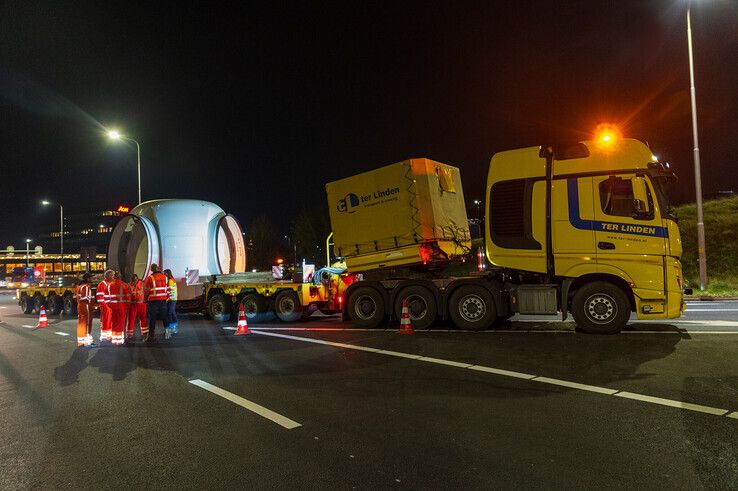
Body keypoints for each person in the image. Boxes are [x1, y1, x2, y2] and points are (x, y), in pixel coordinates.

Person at [143, 264, 169, 342]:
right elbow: (168, 290)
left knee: (152, 319)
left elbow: (147, 291)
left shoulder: (150, 278)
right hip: (163, 300)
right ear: (158, 268)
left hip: (153, 301)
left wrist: (145, 300)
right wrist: (166, 298)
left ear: (151, 269)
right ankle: (167, 333)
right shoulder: (165, 277)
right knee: (164, 317)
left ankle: (151, 336)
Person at [108, 272, 130, 346]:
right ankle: (120, 340)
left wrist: (110, 305)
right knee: (121, 323)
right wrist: (127, 306)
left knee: (114, 322)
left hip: (113, 307)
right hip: (122, 307)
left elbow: (107, 297)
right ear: (120, 277)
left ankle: (114, 339)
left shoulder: (110, 285)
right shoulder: (124, 285)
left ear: (114, 277)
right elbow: (128, 297)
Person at [74, 273, 95, 347]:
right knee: (87, 323)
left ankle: (81, 341)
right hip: (85, 305)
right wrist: (91, 303)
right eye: (91, 277)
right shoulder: (86, 287)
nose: (92, 279)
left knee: (81, 323)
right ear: (88, 279)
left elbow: (75, 296)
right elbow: (85, 298)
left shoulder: (79, 286)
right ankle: (87, 341)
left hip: (80, 305)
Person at [127, 273, 148, 342]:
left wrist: (146, 300)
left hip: (141, 304)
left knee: (143, 319)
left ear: (137, 279)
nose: (134, 281)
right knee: (131, 319)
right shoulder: (129, 285)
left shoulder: (142, 284)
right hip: (132, 305)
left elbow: (146, 292)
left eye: (135, 280)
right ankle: (129, 334)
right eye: (133, 280)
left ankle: (145, 333)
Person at [96, 270, 115, 343]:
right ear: (107, 276)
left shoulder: (111, 283)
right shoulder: (102, 284)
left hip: (111, 306)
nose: (113, 277)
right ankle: (104, 337)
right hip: (106, 307)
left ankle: (109, 336)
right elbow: (100, 297)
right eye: (112, 275)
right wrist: (105, 306)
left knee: (110, 322)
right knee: (105, 322)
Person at [164, 269, 178, 338]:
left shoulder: (170, 281)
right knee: (172, 312)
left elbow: (169, 291)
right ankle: (174, 327)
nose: (164, 275)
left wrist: (166, 299)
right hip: (173, 299)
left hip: (171, 299)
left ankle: (172, 327)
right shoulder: (172, 280)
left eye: (165, 273)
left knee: (169, 313)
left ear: (167, 274)